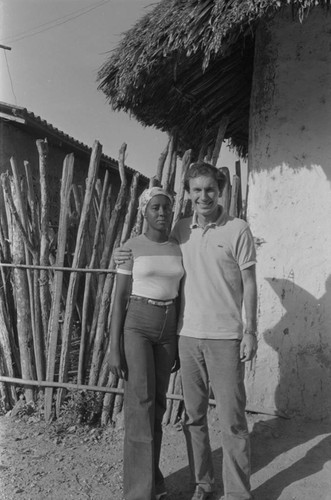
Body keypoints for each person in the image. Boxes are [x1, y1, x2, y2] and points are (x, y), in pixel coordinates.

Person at [115, 162, 258, 500]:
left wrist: (251, 330)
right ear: (189, 194)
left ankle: (238, 494)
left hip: (225, 337)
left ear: (220, 189)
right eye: (197, 190)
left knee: (232, 420)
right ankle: (204, 486)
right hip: (187, 337)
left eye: (210, 189)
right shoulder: (182, 229)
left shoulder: (238, 229)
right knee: (193, 419)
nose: (204, 196)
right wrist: (122, 251)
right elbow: (147, 248)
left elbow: (250, 284)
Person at [109, 186, 184, 500]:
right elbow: (120, 298)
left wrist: (178, 338)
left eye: (166, 208)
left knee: (157, 408)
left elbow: (181, 292)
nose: (162, 213)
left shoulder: (178, 246)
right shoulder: (130, 248)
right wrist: (115, 348)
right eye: (155, 208)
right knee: (140, 406)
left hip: (168, 329)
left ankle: (152, 480)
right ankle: (138, 494)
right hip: (138, 324)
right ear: (144, 211)